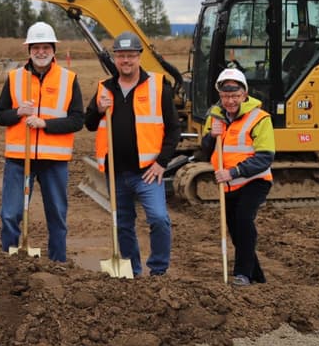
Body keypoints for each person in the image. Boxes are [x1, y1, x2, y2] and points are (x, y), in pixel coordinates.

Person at [84, 31, 182, 277]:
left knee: (159, 219)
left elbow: (173, 130)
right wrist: (97, 109)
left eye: (130, 56)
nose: (125, 61)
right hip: (115, 172)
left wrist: (161, 163)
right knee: (123, 224)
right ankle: (132, 271)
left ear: (139, 57)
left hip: (147, 172)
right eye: (120, 56)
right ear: (114, 59)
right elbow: (89, 123)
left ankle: (158, 270)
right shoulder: (104, 88)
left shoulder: (158, 86)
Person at [0, 22, 84, 262]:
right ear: (29, 50)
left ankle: (58, 264)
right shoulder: (14, 78)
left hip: (54, 161)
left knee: (57, 217)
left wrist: (46, 124)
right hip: (19, 159)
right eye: (36, 47)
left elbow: (77, 120)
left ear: (53, 50)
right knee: (10, 215)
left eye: (45, 47)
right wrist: (18, 113)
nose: (41, 52)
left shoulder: (68, 79)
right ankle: (10, 262)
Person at [196, 67, 275, 286]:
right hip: (229, 184)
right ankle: (256, 275)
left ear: (244, 94)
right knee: (234, 229)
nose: (230, 101)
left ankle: (242, 274)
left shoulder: (259, 118)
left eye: (234, 96)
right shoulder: (215, 115)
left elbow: (265, 157)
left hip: (254, 180)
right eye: (225, 96)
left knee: (243, 220)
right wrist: (212, 136)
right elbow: (204, 149)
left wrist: (234, 172)